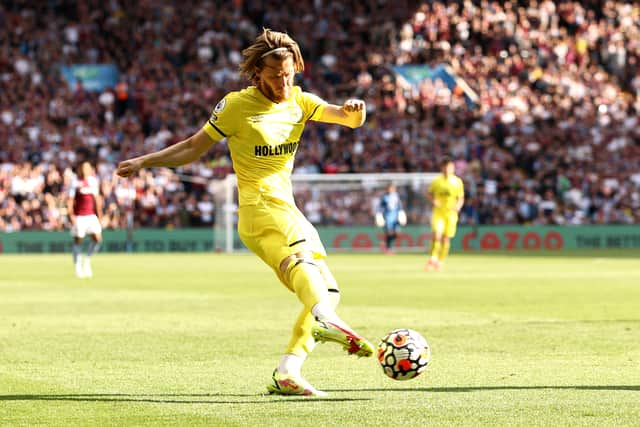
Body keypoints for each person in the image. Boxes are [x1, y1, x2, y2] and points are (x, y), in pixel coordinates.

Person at [116, 29, 373, 397]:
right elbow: (193, 147)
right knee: (309, 270)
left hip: (281, 207)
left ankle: (289, 370)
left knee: (327, 289)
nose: (283, 82)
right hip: (259, 206)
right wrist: (146, 161)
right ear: (258, 74)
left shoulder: (300, 102)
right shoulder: (236, 105)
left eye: (288, 74)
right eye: (274, 76)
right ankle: (328, 322)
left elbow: (347, 120)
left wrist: (355, 112)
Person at [426, 156, 464, 272]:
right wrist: (433, 201)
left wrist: (458, 206)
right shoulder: (436, 181)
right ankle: (432, 258)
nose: (447, 169)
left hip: (451, 214)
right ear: (442, 168)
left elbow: (460, 198)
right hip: (439, 213)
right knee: (436, 235)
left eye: (449, 167)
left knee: (446, 239)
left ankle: (440, 261)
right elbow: (429, 194)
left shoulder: (457, 182)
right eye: (445, 167)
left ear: (453, 168)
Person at [67, 161, 103, 278]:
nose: (84, 170)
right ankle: (77, 267)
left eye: (87, 168)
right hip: (79, 216)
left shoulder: (93, 181)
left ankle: (86, 260)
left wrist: (99, 214)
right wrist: (71, 214)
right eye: (83, 168)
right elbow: (70, 200)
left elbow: (96, 199)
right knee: (78, 240)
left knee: (97, 239)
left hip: (91, 215)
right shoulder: (75, 182)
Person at [375, 184, 406, 254]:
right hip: (388, 217)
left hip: (396, 217)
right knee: (389, 232)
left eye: (393, 188)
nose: (391, 190)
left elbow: (399, 205)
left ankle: (384, 243)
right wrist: (379, 215)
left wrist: (402, 213)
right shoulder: (384, 197)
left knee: (397, 233)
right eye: (390, 188)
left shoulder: (396, 196)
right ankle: (389, 248)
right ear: (387, 189)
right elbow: (380, 207)